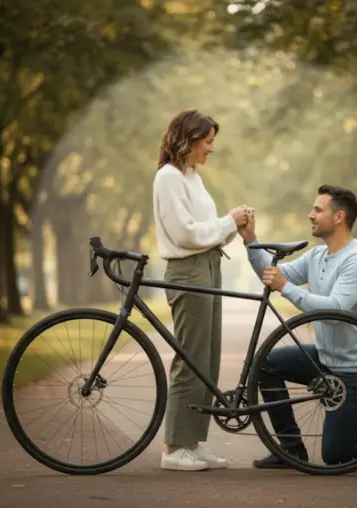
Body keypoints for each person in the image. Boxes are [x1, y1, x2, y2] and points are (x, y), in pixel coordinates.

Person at [238, 184, 357, 470]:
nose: (310, 215)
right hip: (325, 358)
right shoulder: (318, 256)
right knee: (264, 364)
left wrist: (286, 289)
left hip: (356, 372)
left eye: (318, 210)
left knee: (336, 455)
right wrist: (251, 240)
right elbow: (274, 275)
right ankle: (290, 449)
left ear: (339, 217)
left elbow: (335, 313)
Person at [151, 109, 252, 471]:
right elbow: (184, 234)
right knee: (190, 358)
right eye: (207, 141)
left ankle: (194, 442)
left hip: (209, 265)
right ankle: (174, 447)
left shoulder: (192, 176)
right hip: (188, 273)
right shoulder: (168, 178)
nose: (211, 148)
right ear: (189, 140)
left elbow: (205, 227)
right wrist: (228, 221)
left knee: (207, 358)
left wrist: (232, 222)